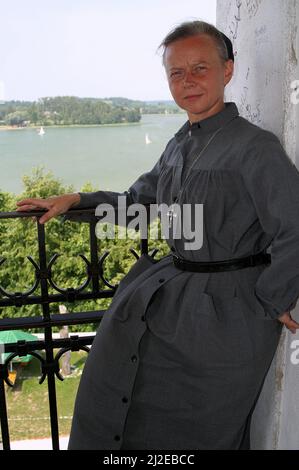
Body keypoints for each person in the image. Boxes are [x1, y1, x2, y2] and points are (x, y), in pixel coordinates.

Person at [16, 20, 299, 450]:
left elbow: (294, 226)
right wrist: (74, 200)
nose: (188, 82)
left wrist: (272, 300)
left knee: (199, 432)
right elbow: (138, 204)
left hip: (226, 322)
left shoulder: (254, 147)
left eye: (199, 68)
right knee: (128, 411)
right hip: (173, 307)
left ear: (227, 70)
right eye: (176, 73)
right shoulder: (179, 144)